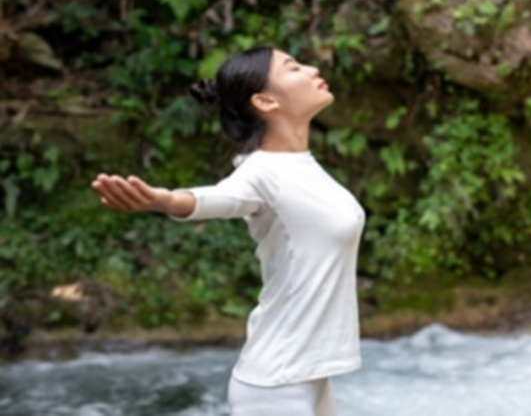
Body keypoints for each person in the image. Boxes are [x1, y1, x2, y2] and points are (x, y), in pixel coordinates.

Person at [91, 46, 365, 416]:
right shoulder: (261, 172)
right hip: (277, 384)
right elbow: (220, 197)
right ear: (266, 101)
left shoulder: (304, 166)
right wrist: (167, 200)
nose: (313, 68)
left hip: (308, 376)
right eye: (294, 67)